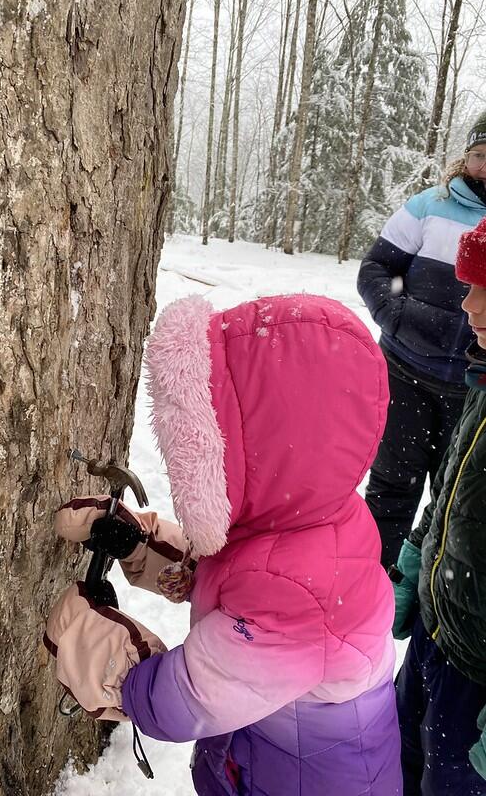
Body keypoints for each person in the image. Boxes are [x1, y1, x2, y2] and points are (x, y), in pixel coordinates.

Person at [44, 293, 403, 795]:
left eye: (200, 453)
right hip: (266, 762)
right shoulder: (307, 515)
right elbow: (242, 576)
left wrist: (100, 647)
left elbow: (183, 697)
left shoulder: (303, 595)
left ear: (260, 458)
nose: (181, 469)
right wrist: (141, 544)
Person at [357, 110, 486, 568]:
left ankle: (422, 592)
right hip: (404, 372)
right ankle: (366, 583)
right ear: (465, 157)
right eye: (478, 155)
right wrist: (396, 316)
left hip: (474, 389)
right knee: (390, 485)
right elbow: (376, 268)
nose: (485, 166)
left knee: (451, 501)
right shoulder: (429, 205)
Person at [389, 215, 486, 795]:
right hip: (436, 628)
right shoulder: (481, 380)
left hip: (477, 680)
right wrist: (415, 562)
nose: (467, 304)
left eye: (485, 290)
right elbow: (449, 485)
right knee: (400, 758)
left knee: (447, 784)